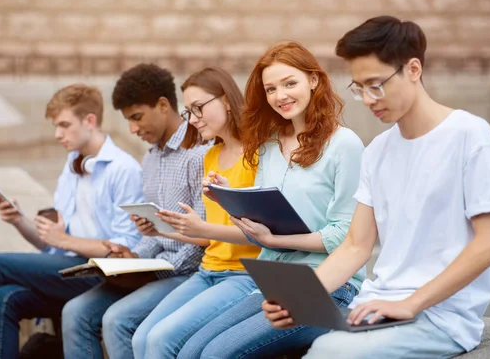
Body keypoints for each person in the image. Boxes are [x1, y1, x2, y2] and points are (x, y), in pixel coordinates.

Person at [264, 16, 490, 359]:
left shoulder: (469, 134)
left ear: (413, 69)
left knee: (327, 352)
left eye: (376, 84)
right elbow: (355, 246)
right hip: (376, 307)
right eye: (359, 87)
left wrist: (412, 302)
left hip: (441, 315)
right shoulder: (378, 150)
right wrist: (300, 299)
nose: (367, 99)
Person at [154, 42, 366, 359]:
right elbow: (266, 213)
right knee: (191, 350)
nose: (280, 96)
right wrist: (232, 197)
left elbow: (344, 235)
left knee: (214, 354)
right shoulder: (267, 145)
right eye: (270, 89)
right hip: (272, 278)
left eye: (289, 83)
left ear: (313, 80)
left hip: (329, 284)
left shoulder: (344, 144)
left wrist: (274, 238)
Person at [0, 84, 144, 359]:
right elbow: (51, 244)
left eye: (64, 125)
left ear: (90, 120)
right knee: (2, 298)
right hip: (67, 271)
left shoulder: (124, 170)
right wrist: (19, 221)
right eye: (55, 126)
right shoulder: (72, 163)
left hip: (102, 276)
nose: (57, 134)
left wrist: (65, 240)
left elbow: (126, 247)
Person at [61, 63, 209, 359]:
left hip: (188, 273)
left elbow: (204, 239)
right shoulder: (151, 160)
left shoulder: (200, 152)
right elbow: (156, 233)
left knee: (118, 320)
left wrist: (149, 273)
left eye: (137, 117)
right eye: (127, 120)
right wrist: (133, 258)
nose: (132, 129)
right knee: (75, 311)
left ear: (163, 105)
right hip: (156, 269)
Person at [130, 67, 262, 359]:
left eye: (199, 108)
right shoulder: (211, 155)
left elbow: (261, 236)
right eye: (188, 111)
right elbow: (207, 238)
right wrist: (160, 228)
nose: (193, 119)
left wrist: (201, 229)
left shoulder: (259, 153)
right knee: (141, 338)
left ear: (227, 100)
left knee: (161, 340)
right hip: (208, 270)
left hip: (244, 274)